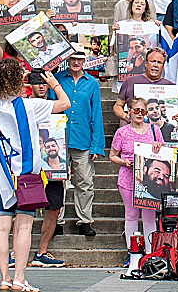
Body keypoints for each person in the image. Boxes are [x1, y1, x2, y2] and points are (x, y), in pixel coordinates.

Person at [0, 59, 70, 292]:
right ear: (19, 81)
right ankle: (19, 279)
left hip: (3, 174)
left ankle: (4, 278)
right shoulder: (29, 105)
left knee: (2, 226)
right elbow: (64, 103)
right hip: (26, 176)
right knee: (24, 227)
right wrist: (54, 84)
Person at [52, 48, 104, 237]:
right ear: (68, 59)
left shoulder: (92, 83)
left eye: (79, 59)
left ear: (84, 61)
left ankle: (85, 220)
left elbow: (96, 114)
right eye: (73, 58)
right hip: (59, 138)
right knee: (57, 180)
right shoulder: (57, 79)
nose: (76, 62)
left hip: (82, 138)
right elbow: (50, 106)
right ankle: (56, 221)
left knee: (85, 181)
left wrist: (97, 145)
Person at [109, 96, 163, 258]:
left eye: (143, 111)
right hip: (128, 178)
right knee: (131, 215)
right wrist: (124, 162)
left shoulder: (154, 130)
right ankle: (132, 252)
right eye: (137, 110)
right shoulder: (122, 132)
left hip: (149, 181)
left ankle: (150, 252)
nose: (140, 114)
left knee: (149, 216)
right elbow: (112, 155)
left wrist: (159, 146)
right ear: (129, 112)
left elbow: (164, 154)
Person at [28, 81, 66, 267]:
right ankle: (15, 252)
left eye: (44, 83)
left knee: (54, 207)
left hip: (52, 169)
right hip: (29, 166)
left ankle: (42, 252)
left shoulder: (53, 105)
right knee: (23, 209)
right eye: (37, 83)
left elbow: (66, 106)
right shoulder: (24, 104)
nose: (41, 87)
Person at [113, 48, 173, 124]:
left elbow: (175, 113)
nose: (155, 65)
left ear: (163, 66)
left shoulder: (170, 87)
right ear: (146, 63)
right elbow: (117, 106)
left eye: (159, 62)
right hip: (134, 129)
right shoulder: (130, 82)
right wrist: (125, 116)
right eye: (153, 61)